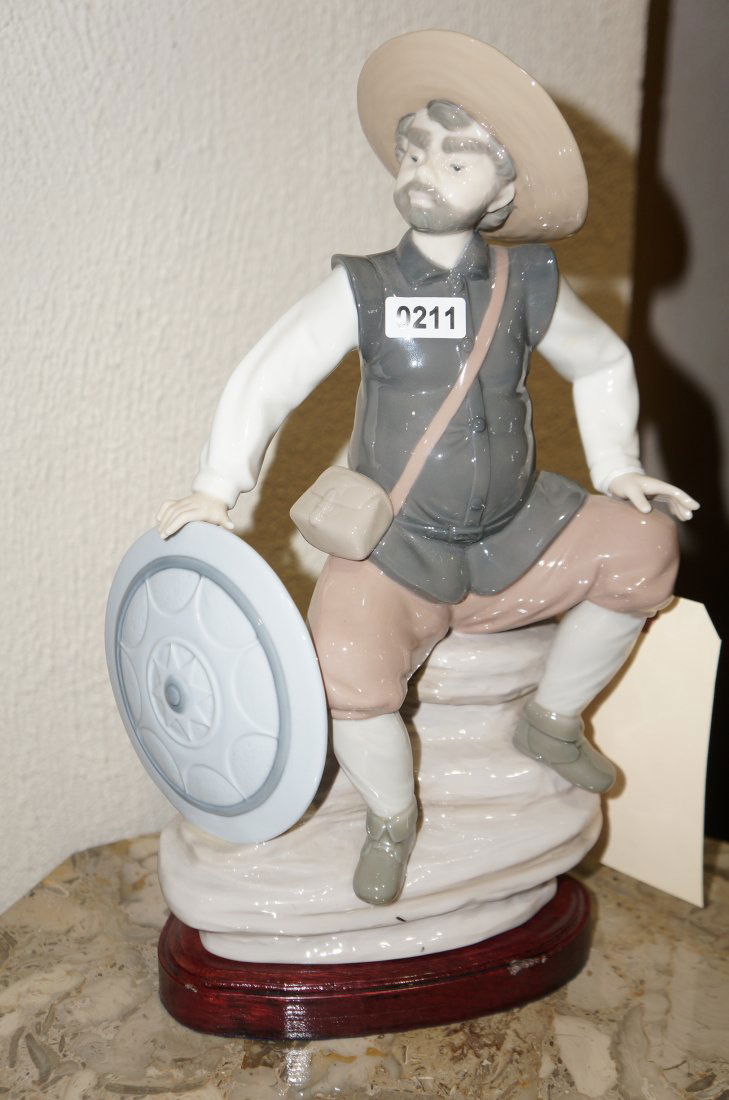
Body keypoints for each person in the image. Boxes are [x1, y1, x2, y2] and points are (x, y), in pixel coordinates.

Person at [157, 32, 697, 907]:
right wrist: (218, 486)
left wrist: (617, 465)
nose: (423, 173)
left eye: (454, 160)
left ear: (503, 191)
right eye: (413, 154)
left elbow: (601, 361)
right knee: (344, 667)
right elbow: (269, 374)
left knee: (644, 545)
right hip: (398, 548)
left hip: (518, 530)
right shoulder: (365, 286)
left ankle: (551, 720)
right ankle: (390, 816)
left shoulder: (526, 282)